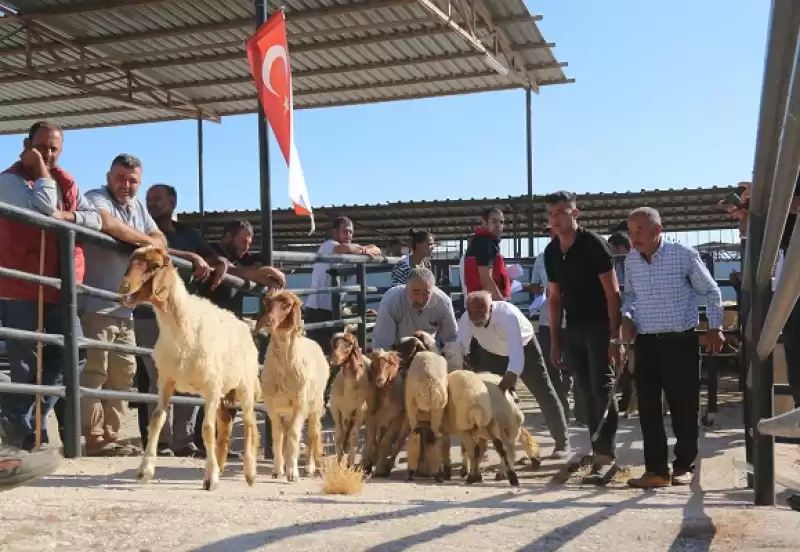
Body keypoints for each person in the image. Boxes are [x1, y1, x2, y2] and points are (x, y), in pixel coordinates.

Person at [0, 121, 101, 451]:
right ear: (27, 144)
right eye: (41, 146)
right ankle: (31, 435)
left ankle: (22, 422)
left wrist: (70, 217)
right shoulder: (9, 180)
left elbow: (94, 219)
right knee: (26, 365)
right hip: (22, 288)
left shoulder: (68, 181)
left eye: (53, 148)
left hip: (61, 288)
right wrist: (41, 171)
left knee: (75, 354)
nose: (48, 153)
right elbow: (43, 209)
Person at [621, 207, 724, 488]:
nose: (634, 238)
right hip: (646, 343)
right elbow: (630, 295)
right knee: (648, 409)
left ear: (657, 230)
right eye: (630, 232)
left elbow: (711, 291)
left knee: (684, 407)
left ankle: (683, 465)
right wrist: (627, 316)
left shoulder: (683, 255)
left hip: (680, 342)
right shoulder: (631, 261)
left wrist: (715, 327)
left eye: (639, 230)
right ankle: (656, 470)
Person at [80, 154, 167, 457]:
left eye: (133, 181)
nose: (126, 185)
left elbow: (160, 238)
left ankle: (112, 436)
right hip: (97, 302)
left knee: (124, 373)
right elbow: (109, 224)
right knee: (96, 371)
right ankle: (94, 438)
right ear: (108, 176)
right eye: (121, 178)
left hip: (125, 307)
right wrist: (146, 242)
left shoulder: (137, 207)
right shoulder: (95, 197)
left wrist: (147, 241)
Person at [135, 183, 225, 457]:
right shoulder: (141, 229)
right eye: (149, 199)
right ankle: (159, 441)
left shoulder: (189, 234)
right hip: (149, 315)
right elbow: (152, 252)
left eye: (158, 199)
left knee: (189, 375)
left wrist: (220, 262)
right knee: (158, 377)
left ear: (173, 203)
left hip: (185, 318)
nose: (152, 203)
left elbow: (211, 255)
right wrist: (191, 258)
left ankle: (183, 441)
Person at [543, 190, 622, 485]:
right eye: (551, 214)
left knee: (602, 387)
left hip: (600, 326)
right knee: (585, 391)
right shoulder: (551, 252)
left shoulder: (594, 244)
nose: (556, 218)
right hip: (573, 327)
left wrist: (616, 337)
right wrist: (555, 340)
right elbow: (553, 298)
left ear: (575, 213)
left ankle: (606, 456)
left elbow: (612, 292)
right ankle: (596, 448)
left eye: (561, 212)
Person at [455, 291, 570, 458]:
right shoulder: (467, 318)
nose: (475, 316)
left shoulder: (508, 316)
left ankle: (562, 442)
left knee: (544, 393)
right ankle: (481, 446)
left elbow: (517, 358)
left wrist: (502, 388)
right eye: (472, 312)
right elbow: (461, 348)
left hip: (525, 348)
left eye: (481, 311)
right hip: (492, 353)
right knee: (480, 398)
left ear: (491, 307)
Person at [304, 216, 381, 354]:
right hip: (318, 311)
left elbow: (377, 249)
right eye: (345, 231)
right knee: (318, 354)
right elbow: (343, 248)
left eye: (351, 232)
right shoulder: (329, 245)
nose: (349, 235)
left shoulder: (352, 253)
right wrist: (363, 251)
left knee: (336, 353)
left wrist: (361, 250)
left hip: (335, 311)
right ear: (334, 232)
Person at [529, 227, 582, 425]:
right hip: (547, 321)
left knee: (577, 366)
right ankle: (560, 414)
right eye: (551, 232)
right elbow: (535, 285)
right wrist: (539, 289)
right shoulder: (542, 258)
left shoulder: (580, 256)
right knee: (552, 368)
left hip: (575, 320)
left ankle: (582, 414)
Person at [371, 267, 457, 351]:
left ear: (433, 290)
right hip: (398, 352)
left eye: (426, 293)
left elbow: (451, 340)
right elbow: (382, 343)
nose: (420, 299)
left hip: (430, 352)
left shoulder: (443, 303)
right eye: (416, 292)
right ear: (406, 288)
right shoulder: (391, 301)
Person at [607, 232, 635, 414]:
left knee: (629, 358)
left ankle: (628, 398)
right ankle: (626, 398)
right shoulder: (618, 264)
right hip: (620, 313)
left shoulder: (630, 263)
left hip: (630, 315)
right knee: (623, 357)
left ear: (618, 248)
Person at [462, 207, 511, 300]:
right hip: (487, 303)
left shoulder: (482, 241)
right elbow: (486, 279)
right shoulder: (485, 243)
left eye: (501, 222)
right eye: (494, 221)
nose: (498, 225)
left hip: (480, 302)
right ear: (484, 223)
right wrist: (502, 304)